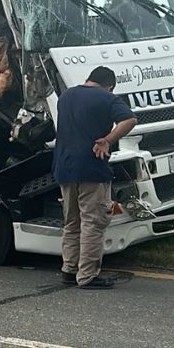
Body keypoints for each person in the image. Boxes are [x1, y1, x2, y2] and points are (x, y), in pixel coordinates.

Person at [53, 66, 137, 289]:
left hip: (64, 166)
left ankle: (69, 270)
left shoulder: (66, 96)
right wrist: (108, 140)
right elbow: (129, 120)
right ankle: (88, 275)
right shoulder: (107, 97)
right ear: (109, 85)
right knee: (93, 221)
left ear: (88, 79)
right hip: (91, 165)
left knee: (72, 222)